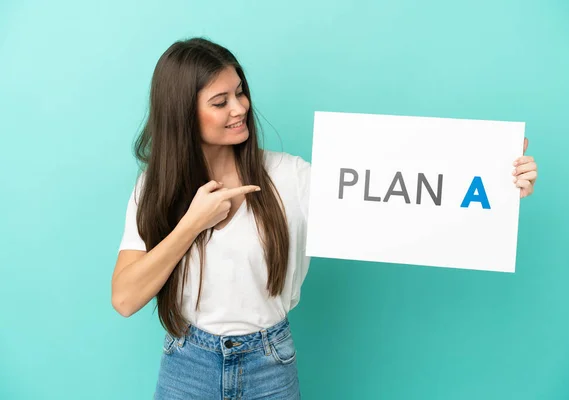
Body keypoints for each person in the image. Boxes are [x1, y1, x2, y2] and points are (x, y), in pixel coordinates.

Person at [111, 37, 539, 399]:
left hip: (269, 363)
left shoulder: (289, 176)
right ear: (183, 113)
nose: (240, 108)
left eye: (240, 92)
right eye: (220, 101)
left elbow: (402, 208)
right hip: (188, 365)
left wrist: (500, 181)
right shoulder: (155, 188)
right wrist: (191, 224)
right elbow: (126, 298)